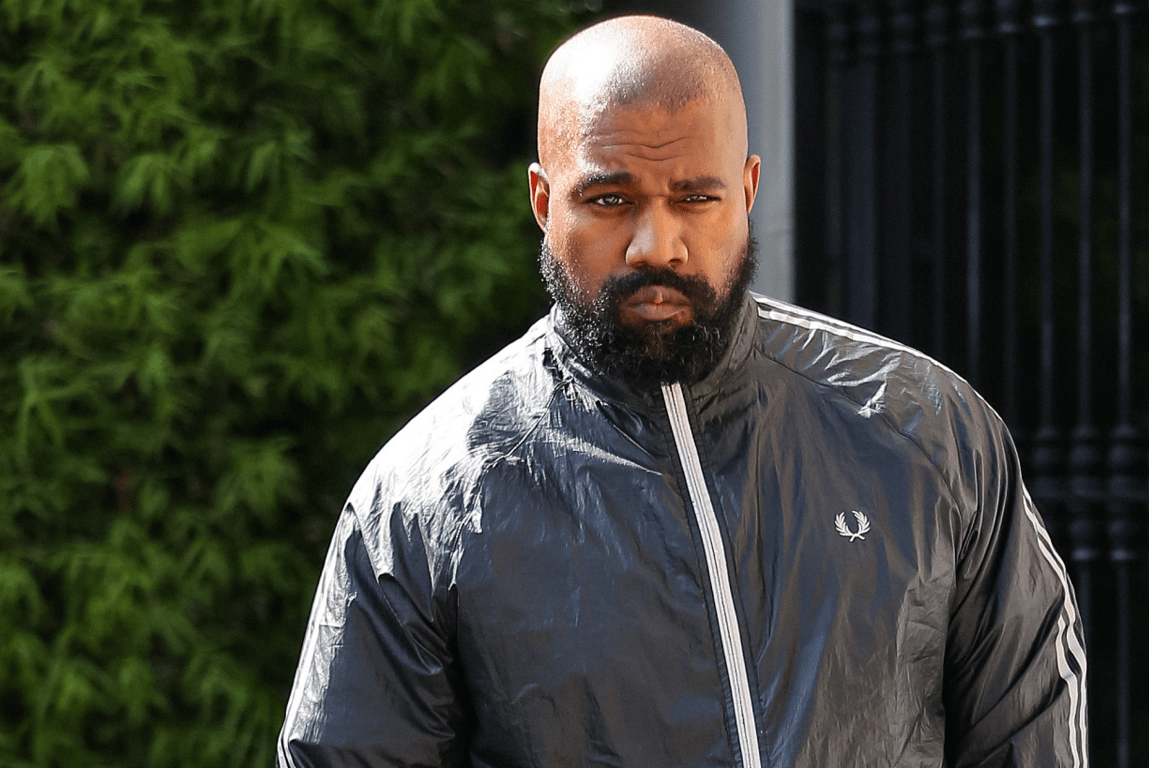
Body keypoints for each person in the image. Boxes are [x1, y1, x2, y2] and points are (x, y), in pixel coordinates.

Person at [277, 14, 1087, 768]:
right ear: (543, 202)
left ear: (748, 192)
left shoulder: (926, 432)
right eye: (610, 199)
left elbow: (1030, 736)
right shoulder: (424, 500)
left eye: (695, 198)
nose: (657, 245)